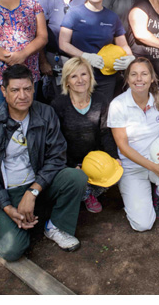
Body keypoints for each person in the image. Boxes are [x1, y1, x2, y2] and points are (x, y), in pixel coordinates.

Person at [0, 64, 87, 260]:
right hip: (8, 191)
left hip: (39, 184)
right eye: (15, 90)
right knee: (11, 250)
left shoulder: (46, 113)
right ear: (4, 92)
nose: (22, 95)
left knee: (76, 176)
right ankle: (19, 218)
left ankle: (55, 226)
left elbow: (57, 156)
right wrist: (7, 206)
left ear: (34, 88)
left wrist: (33, 192)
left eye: (27, 89)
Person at [108, 57, 159, 231]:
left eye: (144, 74)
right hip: (132, 167)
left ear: (152, 78)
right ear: (127, 78)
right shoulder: (118, 105)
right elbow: (123, 147)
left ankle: (158, 192)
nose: (139, 79)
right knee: (143, 225)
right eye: (134, 74)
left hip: (157, 160)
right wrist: (153, 167)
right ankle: (137, 195)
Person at [50, 57, 119, 213]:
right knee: (75, 179)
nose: (80, 80)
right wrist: (70, 164)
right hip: (70, 160)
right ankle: (84, 192)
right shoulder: (58, 104)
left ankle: (90, 190)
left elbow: (105, 133)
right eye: (74, 76)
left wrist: (113, 157)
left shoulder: (100, 100)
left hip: (94, 159)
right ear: (67, 81)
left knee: (118, 174)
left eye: (84, 74)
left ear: (90, 77)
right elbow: (56, 140)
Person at [59, 0, 135, 102]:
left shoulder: (112, 17)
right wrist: (85, 56)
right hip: (80, 77)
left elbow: (123, 45)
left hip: (105, 78)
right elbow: (63, 43)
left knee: (103, 114)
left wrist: (130, 58)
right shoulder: (74, 13)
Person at [36, 0, 87, 102]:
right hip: (55, 60)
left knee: (82, 96)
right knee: (59, 100)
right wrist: (43, 61)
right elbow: (38, 33)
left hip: (82, 58)